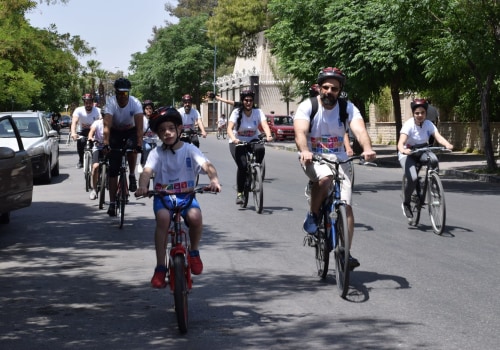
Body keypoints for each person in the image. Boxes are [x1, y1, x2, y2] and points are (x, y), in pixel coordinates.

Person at [294, 67, 376, 270]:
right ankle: (314, 214)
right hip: (314, 157)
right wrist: (305, 150)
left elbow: (359, 129)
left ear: (340, 91)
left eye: (334, 88)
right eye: (326, 87)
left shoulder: (347, 108)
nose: (329, 91)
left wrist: (367, 148)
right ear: (319, 88)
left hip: (341, 159)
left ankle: (345, 253)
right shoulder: (308, 106)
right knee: (325, 178)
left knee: (346, 206)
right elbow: (300, 132)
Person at [134, 107, 221, 289]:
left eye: (171, 128)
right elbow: (147, 171)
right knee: (164, 219)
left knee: (196, 217)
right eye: (162, 130)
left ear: (179, 129)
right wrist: (143, 186)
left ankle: (194, 252)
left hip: (186, 195)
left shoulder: (190, 149)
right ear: (158, 134)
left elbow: (207, 165)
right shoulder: (156, 153)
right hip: (163, 196)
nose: (167, 133)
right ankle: (160, 266)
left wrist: (213, 179)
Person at [398, 98, 453, 219]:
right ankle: (406, 203)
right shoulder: (408, 125)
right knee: (412, 178)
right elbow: (401, 142)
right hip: (408, 153)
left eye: (422, 112)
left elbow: (438, 137)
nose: (420, 115)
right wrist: (403, 150)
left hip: (422, 150)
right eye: (417, 113)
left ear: (426, 113)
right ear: (413, 113)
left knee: (433, 159)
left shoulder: (429, 124)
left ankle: (434, 185)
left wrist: (447, 144)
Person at [102, 78, 144, 216]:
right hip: (115, 132)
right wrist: (106, 143)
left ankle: (131, 175)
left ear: (128, 93)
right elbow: (107, 126)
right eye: (119, 93)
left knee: (132, 149)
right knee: (113, 170)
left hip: (130, 131)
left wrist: (139, 144)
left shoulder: (135, 103)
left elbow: (139, 126)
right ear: (115, 92)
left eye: (125, 94)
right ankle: (113, 203)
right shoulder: (111, 103)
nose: (122, 96)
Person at [226, 89, 273, 204]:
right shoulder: (237, 112)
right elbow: (229, 128)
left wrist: (269, 135)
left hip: (253, 139)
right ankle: (240, 193)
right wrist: (234, 139)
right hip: (238, 142)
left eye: (251, 100)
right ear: (242, 101)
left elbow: (265, 125)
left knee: (260, 148)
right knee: (242, 166)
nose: (248, 102)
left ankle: (255, 167)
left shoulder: (258, 112)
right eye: (246, 100)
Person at [308, 82, 353, 156]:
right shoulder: (311, 109)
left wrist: (348, 148)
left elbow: (344, 133)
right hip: (315, 154)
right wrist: (305, 151)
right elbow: (301, 132)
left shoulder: (340, 112)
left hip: (335, 154)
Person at [71, 94, 101, 168]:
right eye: (86, 103)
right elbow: (74, 122)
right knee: (81, 142)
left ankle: (97, 160)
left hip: (94, 131)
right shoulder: (78, 110)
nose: (88, 105)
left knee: (97, 144)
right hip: (82, 131)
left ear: (92, 103)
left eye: (90, 103)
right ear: (84, 103)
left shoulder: (97, 110)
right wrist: (73, 133)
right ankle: (81, 160)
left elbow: (101, 121)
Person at [87, 117, 104, 200]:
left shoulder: (113, 122)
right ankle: (94, 189)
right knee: (95, 166)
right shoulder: (97, 123)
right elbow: (91, 131)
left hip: (109, 148)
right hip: (98, 147)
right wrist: (91, 137)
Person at [140, 100, 159, 171]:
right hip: (145, 140)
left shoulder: (156, 118)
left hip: (154, 140)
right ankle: (144, 164)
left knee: (157, 151)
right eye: (146, 109)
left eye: (150, 108)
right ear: (144, 110)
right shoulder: (142, 119)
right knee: (147, 148)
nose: (149, 110)